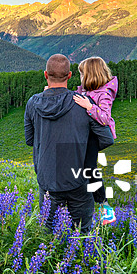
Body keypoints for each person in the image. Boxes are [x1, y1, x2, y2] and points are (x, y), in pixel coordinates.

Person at [25, 54, 114, 234]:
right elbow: (106, 138)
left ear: (45, 75)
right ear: (70, 75)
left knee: (47, 234)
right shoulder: (83, 103)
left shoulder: (33, 103)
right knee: (83, 232)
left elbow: (30, 140)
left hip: (47, 179)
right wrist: (81, 148)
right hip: (79, 180)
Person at [73, 57, 118, 225]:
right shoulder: (88, 91)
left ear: (91, 75)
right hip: (86, 135)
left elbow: (105, 117)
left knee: (90, 169)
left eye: (82, 74)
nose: (80, 78)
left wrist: (90, 107)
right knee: (83, 168)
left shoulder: (104, 93)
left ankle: (106, 207)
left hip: (94, 136)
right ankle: (89, 205)